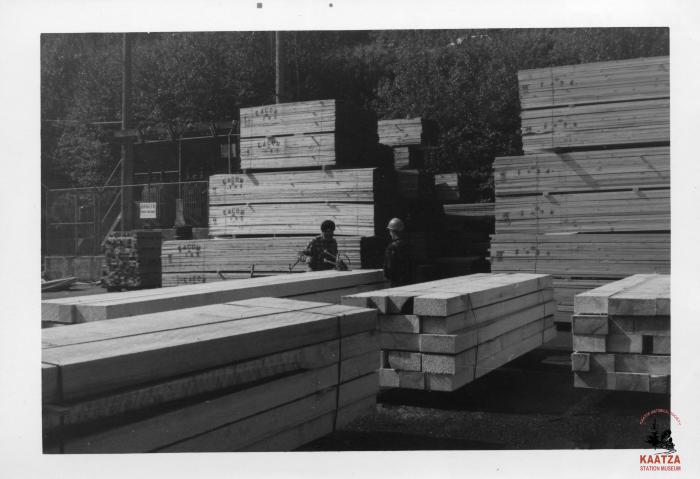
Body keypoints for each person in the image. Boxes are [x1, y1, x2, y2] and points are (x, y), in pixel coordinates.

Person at [383, 217, 412, 287]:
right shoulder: (409, 245)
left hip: (396, 283)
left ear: (392, 231)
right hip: (409, 283)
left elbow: (389, 268)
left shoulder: (392, 247)